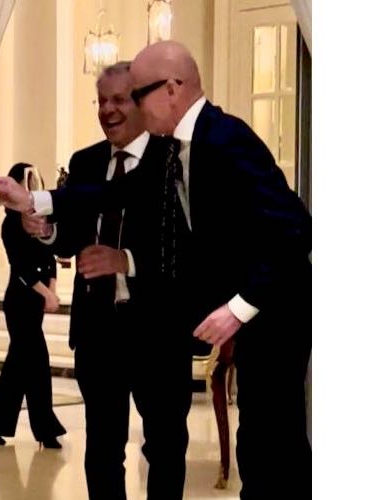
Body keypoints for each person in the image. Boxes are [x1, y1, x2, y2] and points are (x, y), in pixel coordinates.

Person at [127, 40, 312, 500]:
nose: (134, 107)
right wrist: (38, 201)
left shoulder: (226, 138)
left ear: (172, 89)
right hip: (249, 314)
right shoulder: (173, 148)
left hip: (278, 311)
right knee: (261, 446)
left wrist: (239, 308)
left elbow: (294, 229)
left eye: (138, 94)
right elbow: (116, 194)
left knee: (274, 446)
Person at [32, 61, 193, 500]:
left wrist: (127, 261)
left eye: (119, 100)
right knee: (102, 450)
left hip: (159, 331)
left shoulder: (173, 159)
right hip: (98, 331)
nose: (108, 110)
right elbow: (72, 239)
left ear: (140, 103)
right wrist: (46, 231)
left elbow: (187, 245)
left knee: (164, 448)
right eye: (101, 101)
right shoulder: (85, 161)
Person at [0, 163, 67, 450]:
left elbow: (50, 258)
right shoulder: (10, 225)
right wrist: (46, 293)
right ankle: (46, 430)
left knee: (18, 367)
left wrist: (52, 290)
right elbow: (21, 267)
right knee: (37, 365)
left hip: (36, 301)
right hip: (19, 302)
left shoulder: (38, 219)